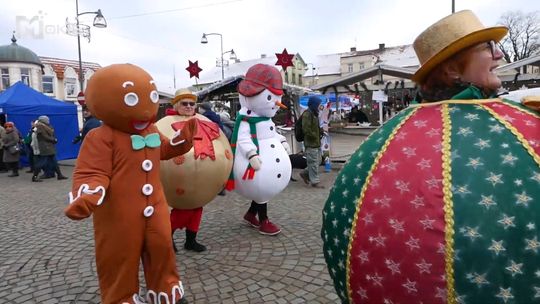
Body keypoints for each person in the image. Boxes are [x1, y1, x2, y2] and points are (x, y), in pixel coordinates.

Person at [321, 10, 540, 304]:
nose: (499, 55)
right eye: (488, 47)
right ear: (452, 71)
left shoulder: (389, 136)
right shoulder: (516, 127)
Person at [299, 96, 324, 188]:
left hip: (316, 143)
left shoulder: (314, 113)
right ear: (313, 104)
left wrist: (320, 131)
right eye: (318, 104)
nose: (319, 106)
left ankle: (304, 173)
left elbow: (313, 127)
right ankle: (315, 182)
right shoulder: (307, 114)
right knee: (313, 163)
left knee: (318, 160)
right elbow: (306, 129)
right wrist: (314, 135)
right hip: (311, 143)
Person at [34, 115, 68, 180]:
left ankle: (59, 175)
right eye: (47, 119)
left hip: (48, 146)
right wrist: (53, 140)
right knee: (42, 162)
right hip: (45, 146)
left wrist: (53, 139)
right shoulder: (40, 126)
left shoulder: (44, 126)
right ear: (44, 120)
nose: (48, 121)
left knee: (54, 161)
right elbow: (44, 136)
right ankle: (35, 176)